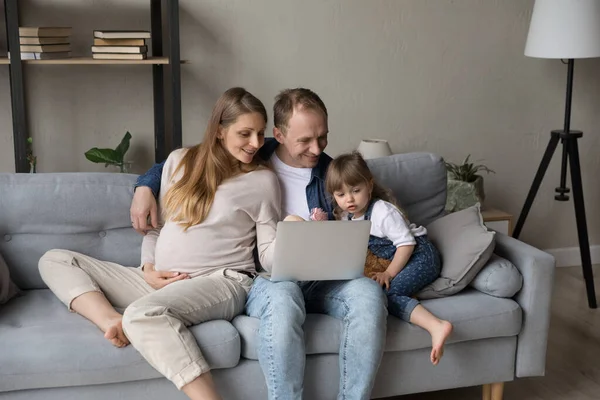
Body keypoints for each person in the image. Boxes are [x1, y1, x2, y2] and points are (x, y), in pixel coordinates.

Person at [131, 88, 388, 400]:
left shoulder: (335, 173)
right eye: (305, 140)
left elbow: (378, 215)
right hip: (268, 278)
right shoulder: (253, 155)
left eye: (323, 137)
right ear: (278, 135)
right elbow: (189, 161)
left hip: (324, 279)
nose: (316, 148)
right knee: (284, 295)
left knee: (368, 294)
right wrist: (144, 185)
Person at [38, 87, 281, 400]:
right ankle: (110, 320)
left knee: (141, 314)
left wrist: (293, 233)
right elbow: (157, 229)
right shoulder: (179, 162)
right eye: (245, 133)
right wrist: (148, 268)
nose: (256, 144)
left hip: (222, 281)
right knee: (54, 259)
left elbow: (267, 255)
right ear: (219, 131)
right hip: (157, 281)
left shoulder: (262, 180)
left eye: (260, 134)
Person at [325, 151, 453, 366]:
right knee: (371, 294)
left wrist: (389, 273)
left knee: (387, 294)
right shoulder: (346, 216)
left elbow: (406, 244)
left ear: (370, 185)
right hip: (398, 258)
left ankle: (436, 325)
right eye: (340, 194)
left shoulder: (382, 211)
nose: (349, 199)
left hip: (420, 256)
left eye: (356, 191)